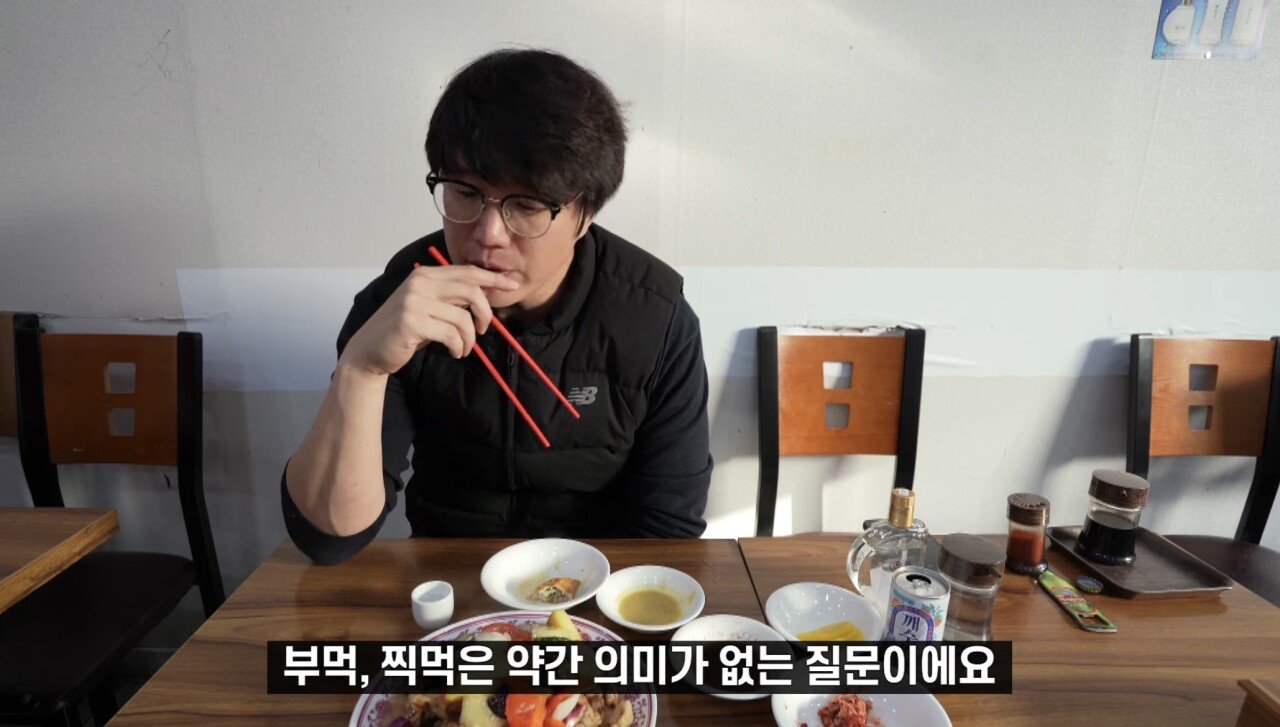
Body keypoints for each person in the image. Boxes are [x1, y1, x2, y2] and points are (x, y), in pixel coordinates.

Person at [282, 49, 713, 564]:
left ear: (586, 214)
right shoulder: (400, 302)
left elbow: (668, 531)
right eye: (465, 193)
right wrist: (362, 369)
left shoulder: (654, 318)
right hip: (448, 577)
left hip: (599, 582)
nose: (487, 234)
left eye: (526, 206)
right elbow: (329, 538)